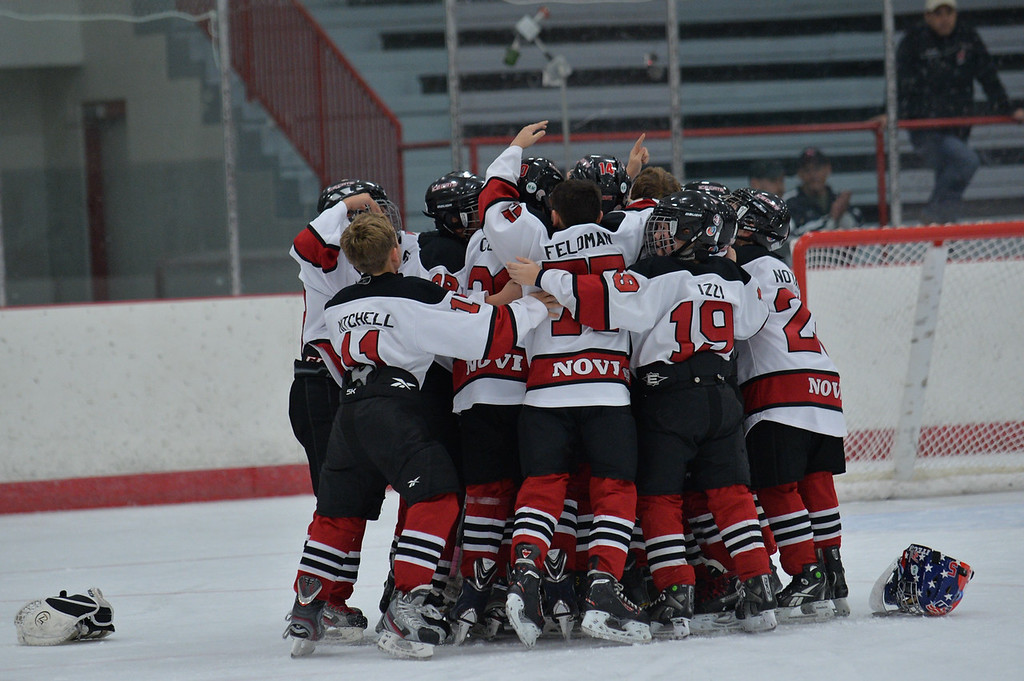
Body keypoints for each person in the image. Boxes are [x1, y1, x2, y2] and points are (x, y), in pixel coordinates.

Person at [283, 212, 558, 660]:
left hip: (348, 412)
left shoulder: (338, 306)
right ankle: (407, 603)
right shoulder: (418, 295)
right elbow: (481, 333)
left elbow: (330, 351)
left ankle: (309, 605)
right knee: (438, 496)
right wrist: (533, 306)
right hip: (394, 410)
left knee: (339, 509)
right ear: (396, 253)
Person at [506, 189, 780, 638]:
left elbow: (610, 301)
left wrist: (545, 276)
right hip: (721, 394)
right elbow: (751, 322)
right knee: (732, 495)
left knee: (658, 499)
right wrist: (722, 264)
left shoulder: (657, 271)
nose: (663, 237)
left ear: (698, 234)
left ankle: (676, 596)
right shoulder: (734, 276)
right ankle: (760, 587)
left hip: (667, 395)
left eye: (673, 229)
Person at [480, 121, 657, 647]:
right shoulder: (624, 237)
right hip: (606, 394)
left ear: (551, 215)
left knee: (540, 491)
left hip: (544, 395)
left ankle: (526, 576)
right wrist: (631, 178)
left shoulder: (536, 243)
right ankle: (603, 587)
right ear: (602, 211)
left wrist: (512, 150)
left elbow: (493, 207)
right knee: (614, 491)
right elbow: (651, 209)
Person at [729, 187, 850, 622]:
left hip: (779, 385)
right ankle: (832, 571)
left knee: (777, 487)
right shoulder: (782, 270)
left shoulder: (739, 265)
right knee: (817, 481)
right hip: (823, 382)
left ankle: (804, 571)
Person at [288, 181, 406, 496]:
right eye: (368, 211)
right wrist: (348, 203)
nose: (383, 219)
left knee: (367, 496)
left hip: (362, 386)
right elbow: (305, 242)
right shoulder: (326, 263)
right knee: (338, 501)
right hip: (323, 384)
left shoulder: (383, 257)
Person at [894, 0, 1024, 223]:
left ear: (956, 14)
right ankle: (934, 216)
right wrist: (890, 111)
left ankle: (943, 236)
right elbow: (899, 80)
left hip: (958, 128)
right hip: (926, 129)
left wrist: (1008, 108)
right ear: (927, 16)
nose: (944, 18)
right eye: (938, 13)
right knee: (966, 162)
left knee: (950, 175)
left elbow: (988, 76)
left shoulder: (967, 38)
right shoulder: (914, 41)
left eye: (949, 12)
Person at [783, 147, 863, 238]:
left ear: (828, 169)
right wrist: (831, 218)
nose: (813, 175)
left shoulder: (838, 199)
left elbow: (860, 228)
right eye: (807, 170)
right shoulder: (789, 203)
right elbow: (792, 237)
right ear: (799, 173)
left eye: (817, 169)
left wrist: (844, 214)